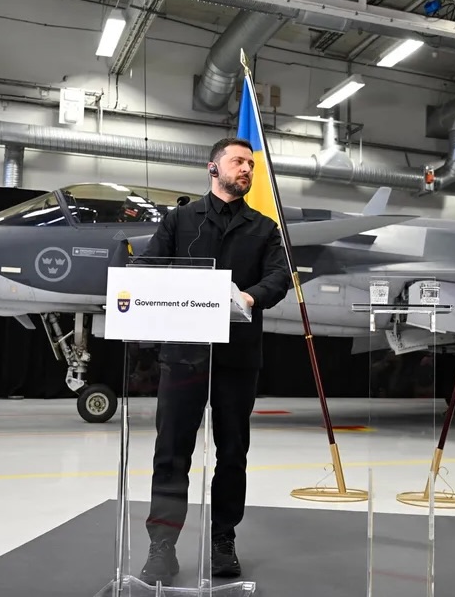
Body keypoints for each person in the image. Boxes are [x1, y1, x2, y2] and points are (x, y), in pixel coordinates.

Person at [138, 137, 292, 585]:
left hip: (237, 358)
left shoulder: (263, 228)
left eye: (250, 164)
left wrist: (250, 295)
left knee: (232, 453)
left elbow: (280, 276)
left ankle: (223, 540)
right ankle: (161, 547)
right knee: (171, 453)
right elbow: (148, 268)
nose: (246, 169)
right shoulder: (180, 219)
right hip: (184, 355)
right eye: (237, 161)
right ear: (213, 167)